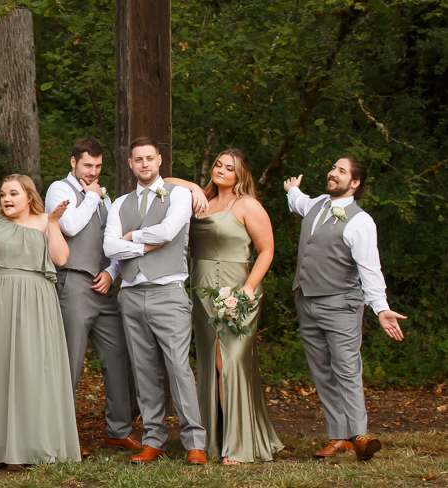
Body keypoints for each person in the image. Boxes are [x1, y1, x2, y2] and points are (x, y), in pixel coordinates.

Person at [284, 157, 406, 462]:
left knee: (347, 369)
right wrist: (292, 190)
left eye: (341, 171)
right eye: (333, 168)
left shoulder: (361, 221)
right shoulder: (318, 204)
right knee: (321, 370)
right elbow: (300, 203)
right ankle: (338, 437)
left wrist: (381, 307)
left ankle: (361, 437)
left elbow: (370, 268)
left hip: (340, 305)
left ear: (355, 183)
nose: (332, 173)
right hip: (307, 302)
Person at [168, 149, 283, 463]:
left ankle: (237, 444)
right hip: (202, 290)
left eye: (228, 167)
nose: (220, 169)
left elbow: (267, 251)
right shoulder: (200, 200)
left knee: (228, 361)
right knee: (209, 362)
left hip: (237, 289)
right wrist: (193, 187)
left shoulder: (246, 205)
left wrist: (246, 290)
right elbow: (163, 182)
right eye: (217, 164)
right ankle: (212, 440)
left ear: (240, 175)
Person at [0, 174, 80, 468]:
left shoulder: (44, 220)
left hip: (37, 298)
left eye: (13, 194)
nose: (6, 199)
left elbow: (61, 257)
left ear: (28, 196)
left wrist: (53, 223)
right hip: (0, 296)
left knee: (34, 368)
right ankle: (2, 447)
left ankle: (35, 445)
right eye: (3, 194)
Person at [103, 138, 207, 465]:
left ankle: (195, 442)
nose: (145, 164)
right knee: (144, 369)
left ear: (159, 160)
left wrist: (132, 237)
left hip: (169, 293)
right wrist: (141, 249)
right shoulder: (119, 203)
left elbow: (168, 231)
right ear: (131, 164)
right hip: (131, 294)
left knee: (178, 368)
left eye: (150, 158)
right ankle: (154, 439)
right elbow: (109, 248)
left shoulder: (179, 195)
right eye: (138, 159)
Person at [44, 137, 141, 456]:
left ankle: (118, 430)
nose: (93, 172)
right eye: (87, 165)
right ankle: (62, 438)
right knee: (70, 362)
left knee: (117, 356)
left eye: (98, 166)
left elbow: (111, 240)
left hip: (103, 287)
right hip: (72, 284)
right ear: (73, 162)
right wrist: (90, 196)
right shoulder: (60, 190)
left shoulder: (100, 196)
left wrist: (112, 272)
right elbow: (68, 226)